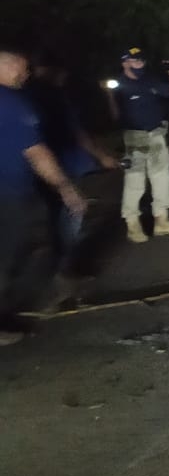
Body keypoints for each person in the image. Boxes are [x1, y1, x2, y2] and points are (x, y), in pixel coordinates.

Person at [0, 48, 87, 344]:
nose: (26, 75)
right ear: (6, 67)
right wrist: (65, 187)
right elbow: (37, 152)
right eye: (22, 70)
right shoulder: (12, 104)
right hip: (9, 192)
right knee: (14, 251)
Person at [25, 55, 116, 292]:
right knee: (72, 212)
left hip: (45, 168)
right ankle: (64, 268)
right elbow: (77, 133)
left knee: (58, 216)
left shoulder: (29, 96)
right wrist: (101, 155)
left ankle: (60, 263)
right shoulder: (52, 97)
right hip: (59, 166)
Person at [110, 46, 169, 242]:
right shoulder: (119, 85)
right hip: (135, 138)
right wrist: (108, 96)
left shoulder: (149, 80)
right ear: (125, 62)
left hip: (156, 134)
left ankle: (162, 221)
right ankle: (133, 225)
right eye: (135, 61)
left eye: (141, 61)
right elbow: (115, 116)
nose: (139, 64)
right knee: (135, 182)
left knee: (162, 179)